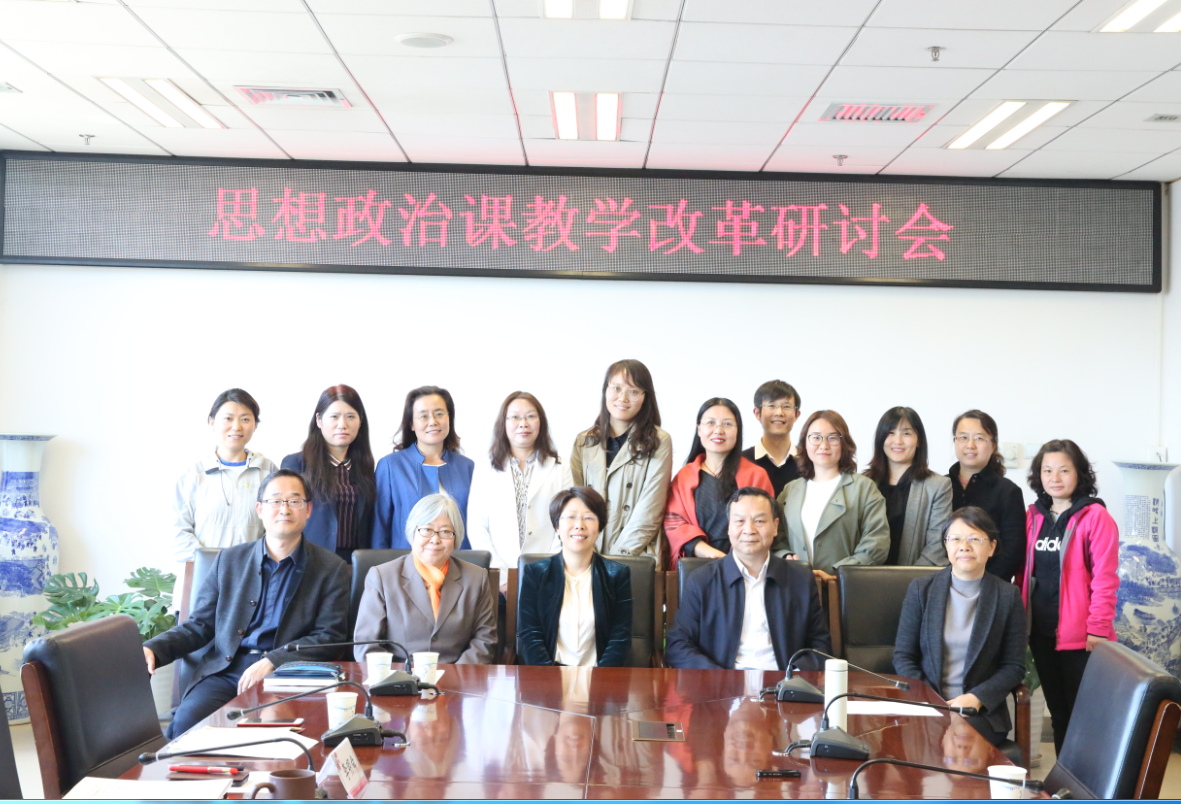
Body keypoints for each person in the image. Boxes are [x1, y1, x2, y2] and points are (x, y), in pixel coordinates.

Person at [145, 469, 350, 739]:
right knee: (188, 725)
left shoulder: (331, 568)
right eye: (275, 501)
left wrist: (274, 660)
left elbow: (330, 636)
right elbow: (199, 625)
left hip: (287, 676)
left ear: (308, 509)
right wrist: (154, 649)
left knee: (275, 737)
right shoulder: (229, 561)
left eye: (294, 501)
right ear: (260, 509)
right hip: (227, 671)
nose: (284, 509)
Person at [892, 507, 1027, 747]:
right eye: (955, 539)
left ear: (992, 547)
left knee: (959, 736)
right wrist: (931, 699)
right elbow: (903, 656)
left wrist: (977, 697)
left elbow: (1013, 666)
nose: (964, 546)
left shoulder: (1008, 597)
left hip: (980, 712)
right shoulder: (921, 590)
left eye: (975, 539)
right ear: (946, 545)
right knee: (933, 736)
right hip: (927, 705)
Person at [1020, 439, 1119, 755]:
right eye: (1047, 470)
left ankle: (1089, 778)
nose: (1055, 478)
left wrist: (1098, 629)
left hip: (1083, 638)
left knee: (1084, 715)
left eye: (1064, 470)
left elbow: (1106, 579)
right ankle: (1065, 776)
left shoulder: (1095, 517)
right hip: (1041, 634)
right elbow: (1023, 573)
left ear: (1079, 474)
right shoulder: (1033, 516)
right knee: (1059, 714)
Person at [666, 487, 831, 670]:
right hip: (722, 683)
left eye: (759, 521)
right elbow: (678, 646)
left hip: (783, 682)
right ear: (729, 527)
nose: (749, 530)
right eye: (740, 521)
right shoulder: (702, 581)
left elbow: (820, 645)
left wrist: (793, 676)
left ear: (775, 526)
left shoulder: (800, 580)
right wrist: (717, 678)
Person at [354, 493, 497, 664]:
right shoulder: (382, 578)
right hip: (399, 676)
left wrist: (455, 676)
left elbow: (485, 640)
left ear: (456, 536)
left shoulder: (476, 578)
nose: (435, 539)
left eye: (445, 532)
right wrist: (402, 677)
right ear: (413, 532)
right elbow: (366, 645)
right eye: (427, 530)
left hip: (458, 676)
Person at [569, 359, 673, 563]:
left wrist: (617, 559)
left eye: (633, 391)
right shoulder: (584, 441)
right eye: (616, 388)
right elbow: (575, 501)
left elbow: (650, 509)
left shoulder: (659, 441)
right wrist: (589, 552)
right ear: (605, 391)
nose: (622, 398)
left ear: (645, 397)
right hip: (589, 552)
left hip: (637, 554)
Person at [517, 487, 633, 667]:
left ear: (600, 527)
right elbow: (529, 635)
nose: (579, 525)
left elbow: (620, 637)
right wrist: (549, 678)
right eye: (571, 517)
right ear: (557, 526)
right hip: (549, 676)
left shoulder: (616, 575)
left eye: (589, 518)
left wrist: (601, 678)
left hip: (600, 676)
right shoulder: (536, 574)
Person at [467, 391, 573, 588]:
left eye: (530, 416)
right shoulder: (485, 468)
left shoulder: (561, 467)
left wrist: (548, 570)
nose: (523, 424)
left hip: (547, 574)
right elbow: (476, 526)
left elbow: (567, 523)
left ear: (541, 422)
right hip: (498, 575)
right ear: (503, 423)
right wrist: (501, 578)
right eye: (515, 417)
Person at [775, 410, 889, 581]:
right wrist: (785, 555)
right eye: (816, 437)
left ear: (844, 443)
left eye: (832, 438)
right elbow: (775, 536)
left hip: (845, 587)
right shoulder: (790, 490)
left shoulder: (864, 488)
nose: (824, 445)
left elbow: (877, 543)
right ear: (805, 442)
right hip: (796, 585)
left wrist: (838, 574)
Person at [665, 398, 773, 567]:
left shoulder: (756, 475)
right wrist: (709, 553)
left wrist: (732, 562)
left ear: (738, 431)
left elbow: (766, 524)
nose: (718, 430)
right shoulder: (684, 477)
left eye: (727, 424)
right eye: (711, 423)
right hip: (696, 566)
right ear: (699, 429)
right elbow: (674, 524)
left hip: (746, 566)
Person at [173, 388, 277, 563]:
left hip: (255, 571)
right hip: (206, 572)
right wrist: (213, 563)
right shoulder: (194, 472)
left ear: (255, 425)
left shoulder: (267, 470)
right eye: (228, 418)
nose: (236, 427)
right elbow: (177, 530)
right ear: (212, 422)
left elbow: (277, 526)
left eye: (245, 419)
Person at [281, 385, 375, 564]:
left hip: (355, 564)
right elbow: (284, 517)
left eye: (350, 417)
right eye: (334, 416)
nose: (343, 425)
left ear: (360, 421)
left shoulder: (366, 468)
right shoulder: (297, 464)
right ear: (319, 420)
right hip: (311, 562)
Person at [373, 386, 475, 550]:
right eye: (423, 416)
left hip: (460, 562)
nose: (433, 421)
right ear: (411, 424)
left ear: (449, 418)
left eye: (439, 414)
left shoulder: (468, 467)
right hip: (406, 563)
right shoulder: (391, 466)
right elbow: (379, 529)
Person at [863, 407, 952, 566]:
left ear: (919, 441)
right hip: (863, 576)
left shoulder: (938, 486)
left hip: (916, 578)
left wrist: (910, 579)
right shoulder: (863, 483)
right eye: (891, 433)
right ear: (881, 439)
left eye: (906, 433)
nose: (898, 441)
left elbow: (937, 547)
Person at [948, 410, 1025, 581]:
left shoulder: (1008, 491)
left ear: (993, 444)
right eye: (963, 437)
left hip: (991, 586)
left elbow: (1013, 550)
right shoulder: (940, 486)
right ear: (955, 441)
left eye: (979, 438)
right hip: (942, 584)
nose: (970, 445)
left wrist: (983, 584)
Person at [741, 380, 802, 498]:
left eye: (786, 406)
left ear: (796, 415)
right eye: (771, 406)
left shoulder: (809, 462)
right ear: (757, 413)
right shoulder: (741, 461)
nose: (779, 413)